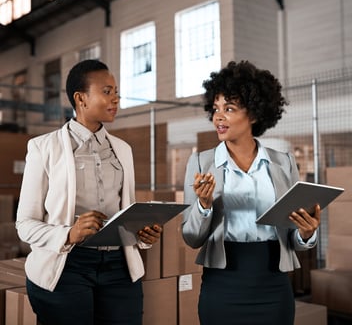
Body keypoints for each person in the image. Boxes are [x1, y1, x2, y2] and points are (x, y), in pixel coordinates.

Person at [16, 59, 162, 325]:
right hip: (67, 267)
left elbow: (125, 211)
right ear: (80, 98)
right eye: (107, 91)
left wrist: (143, 236)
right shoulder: (43, 148)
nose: (115, 98)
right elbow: (25, 225)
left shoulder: (123, 150)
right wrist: (69, 233)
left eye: (116, 91)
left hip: (119, 266)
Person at [182, 60, 321, 325]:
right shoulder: (201, 163)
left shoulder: (284, 162)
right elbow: (191, 237)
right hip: (223, 282)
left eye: (229, 108)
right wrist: (203, 205)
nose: (218, 117)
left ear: (255, 115)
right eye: (216, 109)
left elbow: (293, 236)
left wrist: (306, 234)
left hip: (273, 282)